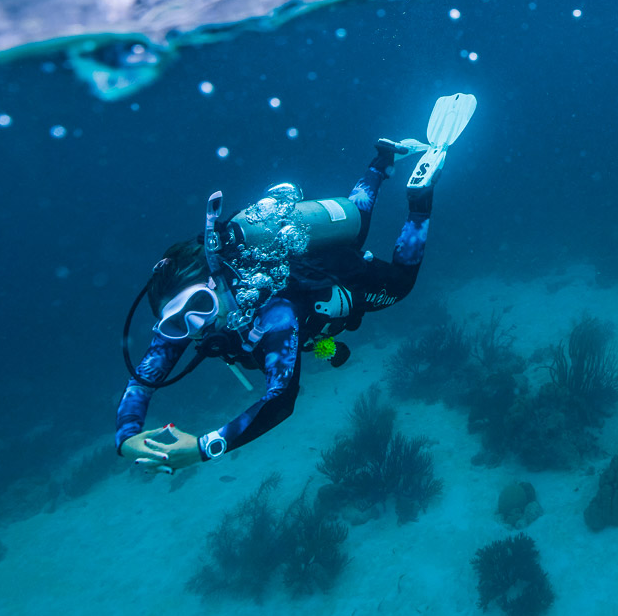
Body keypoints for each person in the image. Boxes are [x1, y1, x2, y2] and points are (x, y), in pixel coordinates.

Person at [114, 94, 475, 470]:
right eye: (176, 323)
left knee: (400, 284)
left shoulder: (275, 315)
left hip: (325, 279)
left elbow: (281, 399)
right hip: (302, 254)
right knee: (358, 225)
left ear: (218, 280)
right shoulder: (183, 320)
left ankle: (419, 199)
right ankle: (383, 159)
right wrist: (126, 437)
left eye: (201, 306)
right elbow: (142, 381)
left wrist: (205, 446)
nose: (195, 327)